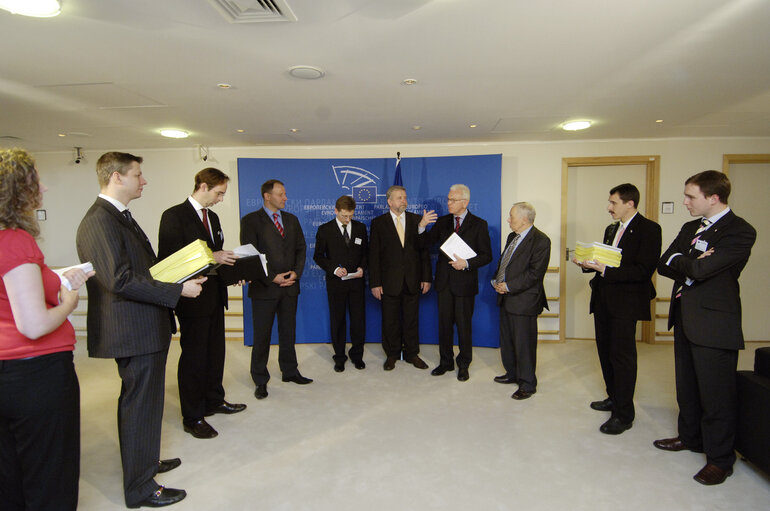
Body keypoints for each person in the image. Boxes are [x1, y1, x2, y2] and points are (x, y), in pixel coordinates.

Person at [76, 152, 204, 508]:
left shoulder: (118, 217)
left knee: (145, 404)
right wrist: (178, 290)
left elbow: (142, 270)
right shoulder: (99, 221)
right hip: (131, 328)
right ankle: (140, 487)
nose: (143, 181)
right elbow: (118, 279)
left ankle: (144, 462)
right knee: (140, 405)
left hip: (144, 324)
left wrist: (180, 273)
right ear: (117, 177)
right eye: (138, 175)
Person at [0, 148, 92, 511]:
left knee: (10, 475)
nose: (45, 187)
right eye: (37, 179)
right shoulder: (15, 240)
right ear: (18, 188)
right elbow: (34, 324)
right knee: (49, 474)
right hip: (35, 374)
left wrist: (52, 277)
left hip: (9, 372)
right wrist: (69, 300)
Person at [654, 170, 756, 486]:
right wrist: (693, 259)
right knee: (687, 387)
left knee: (717, 395)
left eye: (690, 196)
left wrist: (687, 260)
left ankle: (720, 460)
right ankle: (691, 437)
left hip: (714, 323)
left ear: (713, 198)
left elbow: (700, 268)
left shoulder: (739, 231)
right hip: (685, 316)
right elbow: (663, 263)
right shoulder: (690, 227)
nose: (684, 202)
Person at [158, 168, 246, 440]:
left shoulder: (214, 218)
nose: (221, 199)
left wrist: (237, 273)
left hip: (214, 296)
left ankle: (213, 399)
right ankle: (193, 415)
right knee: (194, 357)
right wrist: (213, 256)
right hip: (191, 297)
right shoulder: (174, 216)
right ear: (203, 186)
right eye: (219, 193)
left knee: (215, 352)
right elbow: (170, 260)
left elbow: (217, 258)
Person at [572, 183, 661, 434]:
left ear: (629, 203)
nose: (608, 207)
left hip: (627, 303)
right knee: (604, 352)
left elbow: (643, 271)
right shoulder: (611, 229)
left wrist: (605, 270)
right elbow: (606, 262)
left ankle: (624, 414)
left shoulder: (649, 229)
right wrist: (587, 263)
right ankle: (613, 397)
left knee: (622, 358)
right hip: (603, 299)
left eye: (613, 203)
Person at [240, 179, 310, 400]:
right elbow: (249, 255)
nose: (285, 198)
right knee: (262, 336)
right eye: (281, 194)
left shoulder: (292, 219)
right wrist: (272, 278)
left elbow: (301, 249)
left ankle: (290, 371)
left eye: (285, 194)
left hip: (290, 287)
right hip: (264, 289)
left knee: (288, 332)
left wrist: (295, 273)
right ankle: (260, 379)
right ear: (267, 196)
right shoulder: (251, 221)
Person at [418, 184, 492, 381]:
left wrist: (466, 263)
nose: (448, 203)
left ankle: (464, 364)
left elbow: (487, 256)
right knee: (444, 326)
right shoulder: (442, 222)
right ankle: (446, 362)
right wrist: (422, 226)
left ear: (465, 202)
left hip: (465, 285)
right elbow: (424, 244)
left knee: (464, 326)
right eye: (448, 199)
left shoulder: (479, 224)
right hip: (444, 284)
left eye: (452, 200)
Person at [369, 185, 432, 371]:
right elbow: (374, 256)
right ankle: (392, 354)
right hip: (388, 282)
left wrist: (426, 277)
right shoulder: (378, 223)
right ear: (389, 201)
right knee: (390, 320)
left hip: (412, 280)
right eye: (399, 198)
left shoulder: (416, 220)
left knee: (412, 319)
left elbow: (424, 252)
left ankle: (412, 354)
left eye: (405, 197)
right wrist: (375, 282)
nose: (403, 200)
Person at [492, 202, 551, 399]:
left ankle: (527, 383)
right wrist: (497, 281)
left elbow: (535, 274)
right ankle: (512, 374)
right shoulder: (512, 236)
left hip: (524, 300)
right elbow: (504, 262)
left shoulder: (541, 241)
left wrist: (509, 285)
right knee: (507, 340)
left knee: (524, 344)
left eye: (512, 216)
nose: (508, 220)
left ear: (524, 219)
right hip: (505, 297)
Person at [313, 195, 368, 372]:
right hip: (336, 283)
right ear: (336, 211)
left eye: (351, 215)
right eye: (344, 215)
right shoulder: (324, 230)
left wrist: (362, 267)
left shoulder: (360, 228)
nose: (348, 219)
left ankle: (357, 355)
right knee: (338, 320)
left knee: (358, 320)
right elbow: (318, 256)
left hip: (356, 283)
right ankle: (339, 357)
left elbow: (366, 252)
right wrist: (334, 269)